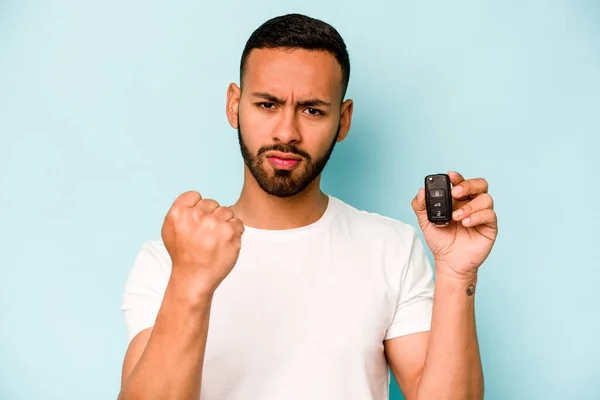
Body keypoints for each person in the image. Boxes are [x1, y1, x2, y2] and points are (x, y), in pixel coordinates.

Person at [117, 13, 498, 400]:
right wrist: (190, 281)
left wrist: (456, 273)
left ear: (343, 120)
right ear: (234, 105)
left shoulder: (392, 248)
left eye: (312, 110)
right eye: (267, 104)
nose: (287, 132)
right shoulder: (167, 261)